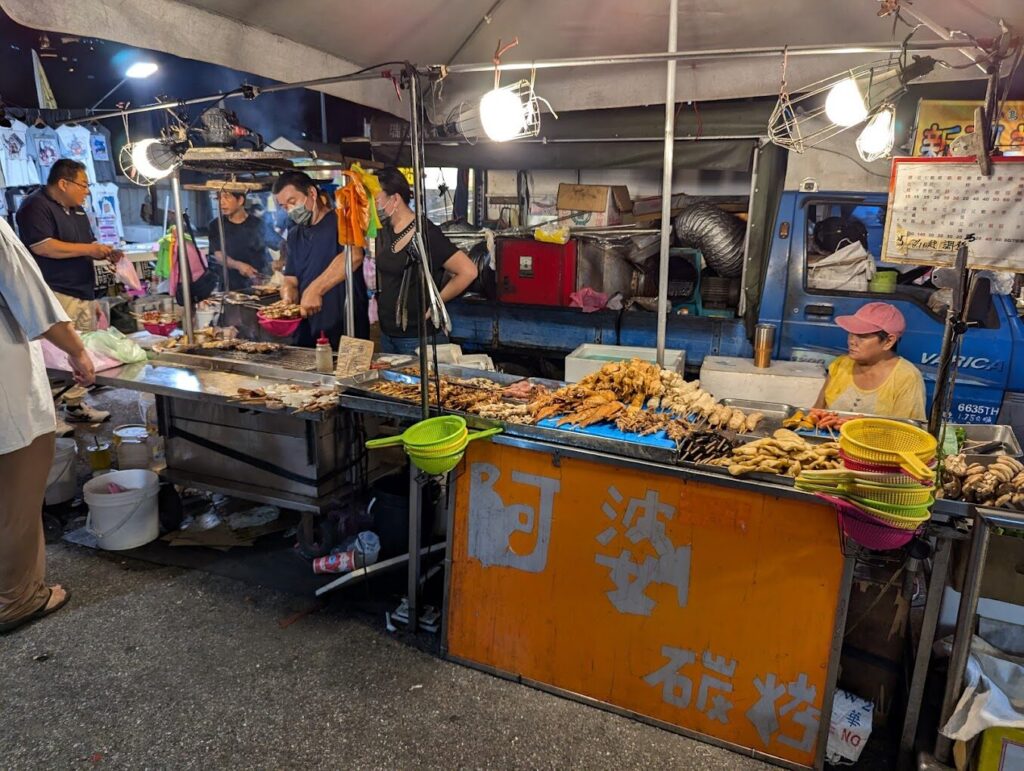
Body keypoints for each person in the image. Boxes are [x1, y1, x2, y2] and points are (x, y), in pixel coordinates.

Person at [0, 217, 94, 634]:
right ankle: (17, 600)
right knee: (15, 500)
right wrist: (77, 352)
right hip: (7, 394)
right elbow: (33, 302)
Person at [15, 158, 118, 423]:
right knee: (56, 358)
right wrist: (89, 250)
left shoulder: (79, 210)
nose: (87, 191)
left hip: (82, 291)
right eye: (83, 185)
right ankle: (47, 417)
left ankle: (75, 406)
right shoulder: (34, 206)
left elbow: (87, 242)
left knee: (82, 355)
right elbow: (43, 247)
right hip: (55, 294)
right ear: (64, 183)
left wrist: (105, 251)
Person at [373, 167, 478, 355]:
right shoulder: (385, 231)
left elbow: (468, 271)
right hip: (388, 335)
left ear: (395, 199)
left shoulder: (426, 233)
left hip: (418, 337)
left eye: (376, 199)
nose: (373, 205)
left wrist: (436, 303)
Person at [272, 171, 369, 347]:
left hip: (345, 330)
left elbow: (354, 255)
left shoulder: (342, 221)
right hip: (308, 331)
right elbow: (291, 279)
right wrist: (287, 298)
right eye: (284, 206)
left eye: (293, 202)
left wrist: (315, 290)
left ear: (312, 193)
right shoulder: (294, 234)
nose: (290, 210)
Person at [814, 301, 926, 420]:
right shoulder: (840, 365)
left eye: (862, 336)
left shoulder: (907, 378)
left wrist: (860, 429)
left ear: (888, 341)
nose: (852, 341)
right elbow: (816, 413)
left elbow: (906, 433)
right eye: (851, 333)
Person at [207, 189, 270, 291]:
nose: (221, 202)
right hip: (230, 286)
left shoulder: (258, 223)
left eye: (226, 197)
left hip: (258, 285)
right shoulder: (216, 225)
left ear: (240, 200)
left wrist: (280, 260)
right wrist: (239, 265)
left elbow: (280, 243)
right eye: (219, 198)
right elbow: (218, 255)